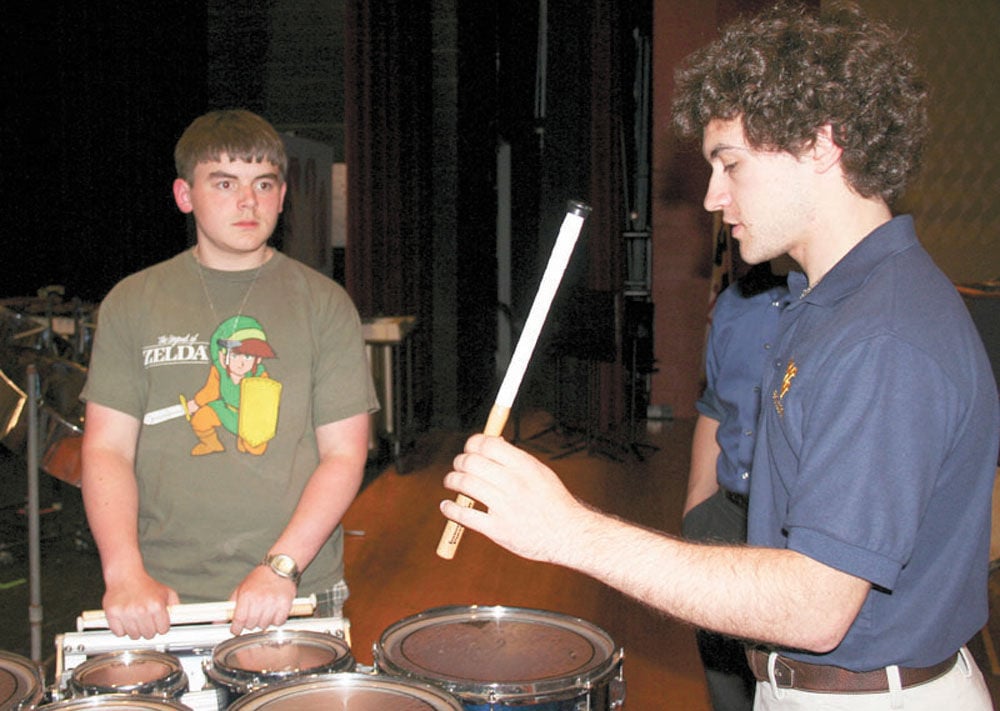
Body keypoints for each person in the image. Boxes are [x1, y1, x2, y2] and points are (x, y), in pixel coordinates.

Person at [441, 4, 1000, 709]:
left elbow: (815, 607)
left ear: (823, 143)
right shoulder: (821, 302)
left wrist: (568, 530)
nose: (711, 195)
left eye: (729, 163)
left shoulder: (883, 336)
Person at [80, 109, 378, 641]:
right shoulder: (132, 301)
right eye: (225, 183)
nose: (249, 202)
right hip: (159, 593)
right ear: (184, 195)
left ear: (282, 196)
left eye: (264, 184)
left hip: (297, 587)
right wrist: (124, 572)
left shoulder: (324, 304)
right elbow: (106, 450)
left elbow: (344, 454)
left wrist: (281, 567)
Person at [683, 262, 790, 711]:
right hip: (723, 515)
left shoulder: (836, 313)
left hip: (788, 535)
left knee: (780, 685)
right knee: (727, 688)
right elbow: (714, 405)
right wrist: (696, 511)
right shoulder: (734, 304)